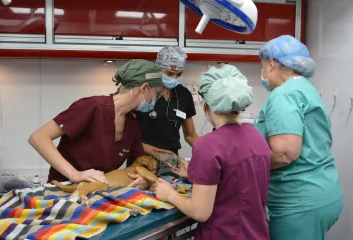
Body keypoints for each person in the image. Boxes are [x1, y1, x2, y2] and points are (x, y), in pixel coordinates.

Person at [151, 64, 271, 239]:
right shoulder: (258, 138)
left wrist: (170, 194)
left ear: (206, 106)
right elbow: (237, 183)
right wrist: (195, 174)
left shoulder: (208, 145)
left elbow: (200, 212)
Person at [254, 35, 343, 240]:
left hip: (299, 201)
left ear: (271, 63)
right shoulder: (306, 89)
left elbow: (284, 153)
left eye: (263, 67)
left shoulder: (284, 94)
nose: (264, 73)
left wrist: (245, 167)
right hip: (321, 191)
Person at [28, 59, 162, 190]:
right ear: (144, 88)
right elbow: (38, 137)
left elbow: (138, 165)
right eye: (156, 94)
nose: (156, 100)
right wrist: (75, 174)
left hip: (98, 191)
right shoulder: (91, 107)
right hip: (64, 189)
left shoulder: (132, 123)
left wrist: (144, 180)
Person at [128, 47, 199, 167]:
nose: (174, 78)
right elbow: (126, 137)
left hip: (171, 160)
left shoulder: (184, 94)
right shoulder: (143, 90)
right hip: (141, 159)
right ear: (157, 69)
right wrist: (155, 152)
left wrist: (209, 151)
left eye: (179, 74)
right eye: (169, 74)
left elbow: (190, 135)